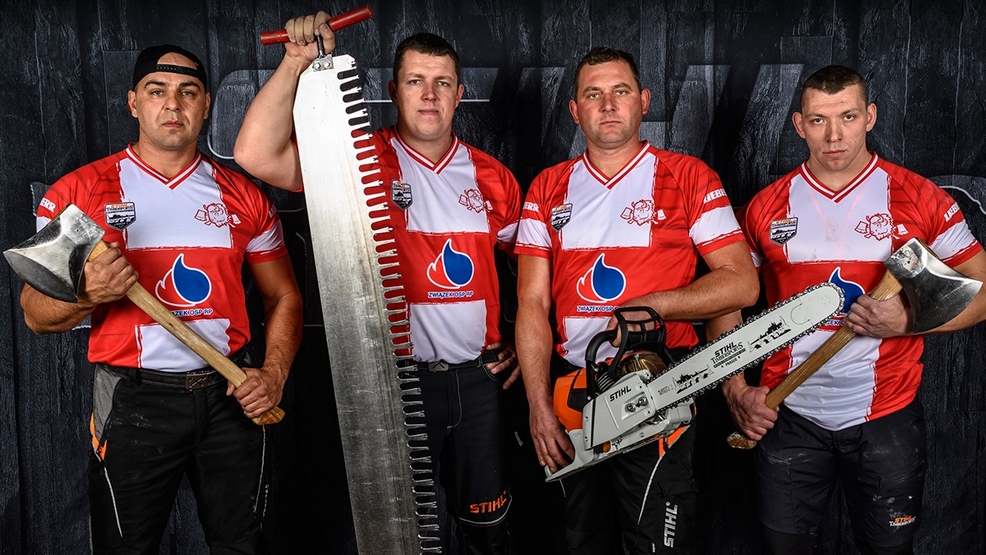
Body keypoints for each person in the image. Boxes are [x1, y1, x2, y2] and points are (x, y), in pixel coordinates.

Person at [233, 14, 521, 555]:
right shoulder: (356, 164)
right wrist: (296, 61)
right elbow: (255, 154)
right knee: (395, 539)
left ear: (460, 94)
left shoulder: (494, 177)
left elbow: (527, 272)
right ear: (393, 91)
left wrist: (521, 343)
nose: (429, 95)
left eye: (442, 83)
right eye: (415, 81)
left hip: (477, 382)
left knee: (488, 535)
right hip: (393, 385)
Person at [18, 44, 303, 554]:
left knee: (242, 545)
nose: (173, 104)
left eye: (188, 92)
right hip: (133, 400)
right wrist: (88, 295)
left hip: (231, 392)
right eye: (157, 91)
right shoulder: (78, 194)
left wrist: (274, 374)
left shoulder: (244, 198)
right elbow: (36, 315)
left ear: (207, 104)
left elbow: (283, 296)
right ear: (133, 103)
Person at [722, 64, 986, 555]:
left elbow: (983, 291)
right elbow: (727, 298)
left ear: (870, 116)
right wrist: (735, 388)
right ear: (799, 125)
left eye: (847, 116)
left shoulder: (919, 198)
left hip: (887, 416)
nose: (834, 135)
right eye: (818, 120)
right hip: (786, 413)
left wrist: (907, 321)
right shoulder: (766, 207)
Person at [514, 46, 759, 555]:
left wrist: (655, 305)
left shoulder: (688, 176)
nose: (608, 105)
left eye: (620, 91)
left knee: (657, 543)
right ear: (574, 109)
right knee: (581, 541)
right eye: (593, 94)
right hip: (573, 389)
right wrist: (537, 406)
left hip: (660, 384)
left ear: (644, 101)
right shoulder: (548, 188)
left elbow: (741, 284)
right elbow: (532, 304)